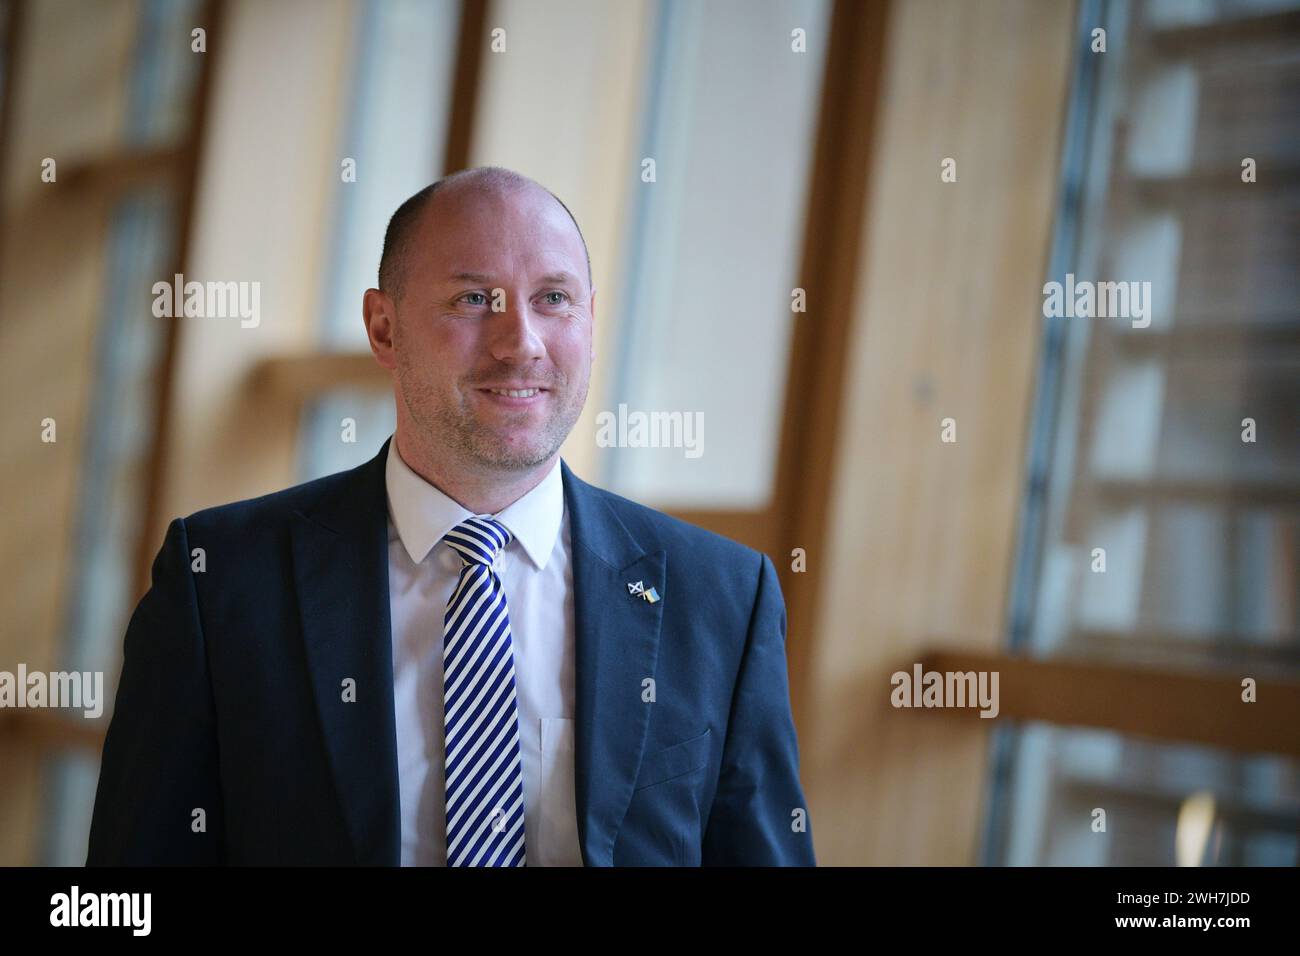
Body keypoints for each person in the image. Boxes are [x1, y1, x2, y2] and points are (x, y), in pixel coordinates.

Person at [86, 166, 815, 866]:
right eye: (474, 300)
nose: (520, 342)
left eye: (554, 299)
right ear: (384, 328)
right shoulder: (221, 580)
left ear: (591, 321)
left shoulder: (721, 597)